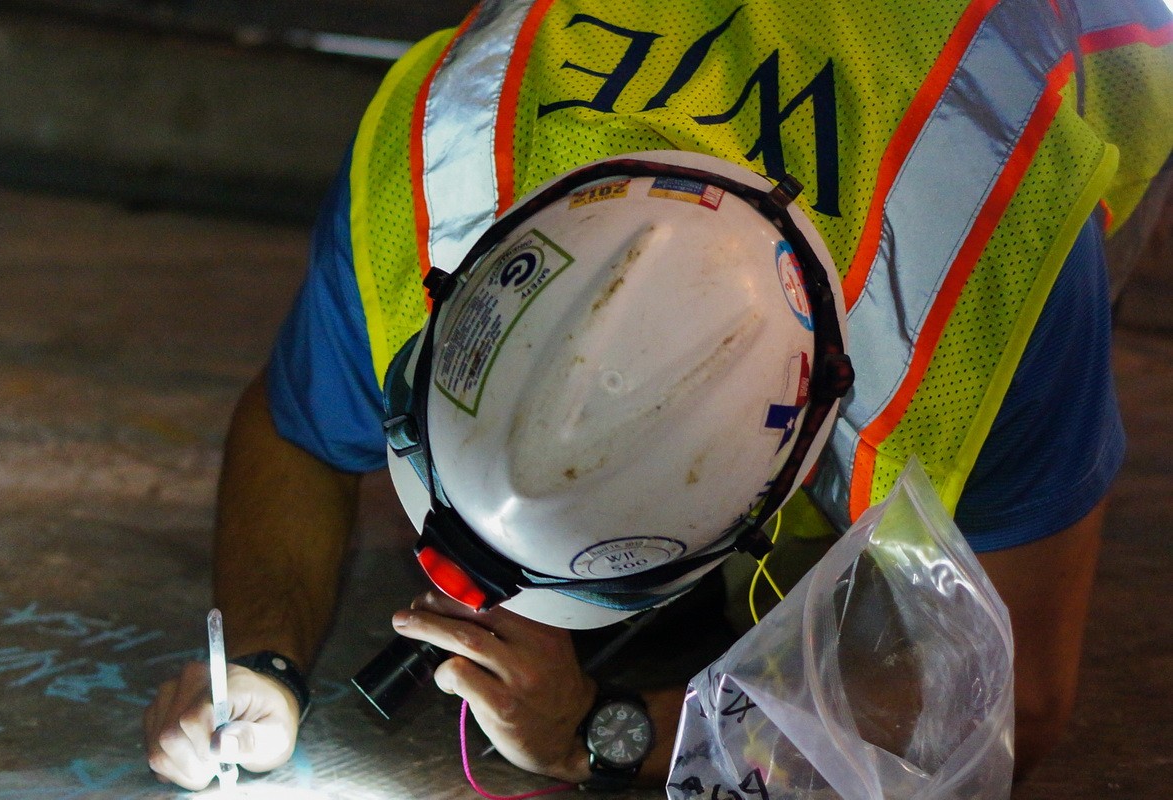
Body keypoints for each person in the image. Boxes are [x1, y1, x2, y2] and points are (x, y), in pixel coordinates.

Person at [143, 0, 1173, 791]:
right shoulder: (435, 175)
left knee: (924, 562)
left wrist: (608, 730)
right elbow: (296, 429)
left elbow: (1005, 702)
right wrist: (264, 666)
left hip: (1081, 42)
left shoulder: (998, 278)